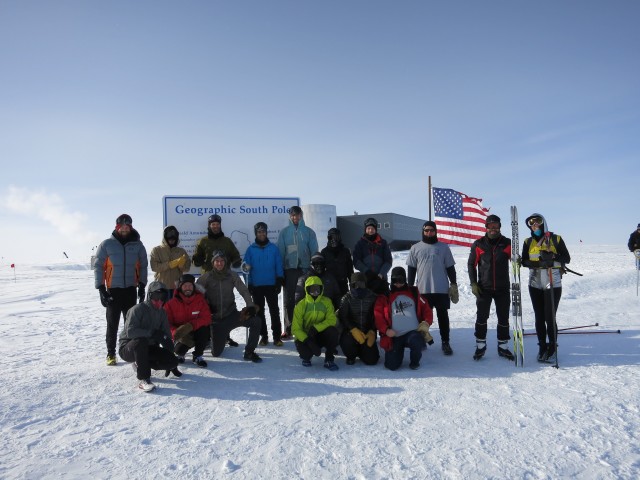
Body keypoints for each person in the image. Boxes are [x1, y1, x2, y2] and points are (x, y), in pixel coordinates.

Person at [94, 213, 148, 366]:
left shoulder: (137, 245)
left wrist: (142, 285)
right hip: (113, 290)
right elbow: (99, 267)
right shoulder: (106, 245)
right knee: (112, 323)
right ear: (117, 227)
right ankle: (111, 354)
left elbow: (143, 266)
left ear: (130, 227)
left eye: (127, 226)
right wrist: (101, 289)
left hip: (130, 289)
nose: (125, 229)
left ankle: (130, 352)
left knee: (130, 323)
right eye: (122, 226)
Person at [521, 213, 571, 363]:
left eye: (538, 223)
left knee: (550, 317)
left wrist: (553, 257)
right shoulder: (528, 241)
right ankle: (542, 346)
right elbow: (524, 261)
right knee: (539, 317)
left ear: (543, 224)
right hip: (535, 283)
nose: (535, 226)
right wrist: (539, 263)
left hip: (553, 282)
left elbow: (567, 258)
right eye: (532, 224)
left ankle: (552, 348)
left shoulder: (556, 239)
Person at [196, 251, 263, 362]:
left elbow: (244, 290)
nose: (220, 263)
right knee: (216, 353)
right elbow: (197, 295)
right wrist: (205, 307)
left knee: (256, 321)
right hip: (216, 320)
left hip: (232, 315)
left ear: (225, 262)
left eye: (222, 261)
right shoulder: (206, 277)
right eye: (217, 261)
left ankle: (249, 352)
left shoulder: (232, 275)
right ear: (213, 263)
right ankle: (216, 338)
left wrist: (250, 306)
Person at [406, 221, 458, 356]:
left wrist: (453, 284)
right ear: (423, 232)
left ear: (436, 231)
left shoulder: (444, 247)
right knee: (421, 319)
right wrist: (410, 287)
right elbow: (411, 269)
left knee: (443, 317)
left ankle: (445, 342)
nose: (429, 233)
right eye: (427, 230)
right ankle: (420, 340)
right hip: (423, 290)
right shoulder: (415, 248)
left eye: (432, 230)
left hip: (441, 289)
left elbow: (450, 268)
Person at [118, 281, 180, 392]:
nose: (159, 301)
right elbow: (130, 332)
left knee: (173, 361)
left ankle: (141, 363)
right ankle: (144, 379)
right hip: (128, 348)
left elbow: (166, 335)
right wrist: (151, 333)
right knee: (141, 341)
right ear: (149, 295)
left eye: (163, 297)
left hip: (147, 348)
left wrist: (171, 360)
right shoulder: (137, 310)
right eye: (156, 296)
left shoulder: (162, 313)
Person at [467, 214, 514, 361]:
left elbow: (515, 259)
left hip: (502, 288)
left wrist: (517, 259)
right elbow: (471, 264)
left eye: (496, 226)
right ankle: (480, 346)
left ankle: (503, 346)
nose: (493, 229)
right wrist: (473, 283)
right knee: (482, 317)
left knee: (503, 317)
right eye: (490, 226)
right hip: (484, 288)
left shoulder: (507, 243)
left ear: (500, 227)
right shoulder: (479, 244)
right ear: (486, 227)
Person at [192, 214, 242, 347]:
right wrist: (196, 259)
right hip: (207, 280)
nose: (215, 226)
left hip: (224, 279)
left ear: (220, 225)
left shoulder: (227, 241)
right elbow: (197, 258)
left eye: (217, 224)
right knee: (207, 307)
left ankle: (226, 336)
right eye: (212, 224)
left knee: (225, 305)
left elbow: (235, 255)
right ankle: (208, 336)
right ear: (209, 226)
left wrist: (237, 261)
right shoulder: (203, 241)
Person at [374, 267, 433, 371]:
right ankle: (396, 352)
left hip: (412, 332)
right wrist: (386, 330)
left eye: (400, 280)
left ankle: (415, 361)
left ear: (405, 280)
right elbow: (378, 316)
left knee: (416, 340)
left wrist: (426, 322)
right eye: (394, 280)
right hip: (395, 336)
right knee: (391, 366)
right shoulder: (385, 297)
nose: (398, 284)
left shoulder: (414, 292)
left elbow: (426, 309)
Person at [277, 206, 318, 339]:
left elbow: (314, 250)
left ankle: (304, 326)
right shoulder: (284, 232)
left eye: (298, 215)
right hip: (289, 270)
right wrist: (281, 271)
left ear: (301, 215)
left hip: (305, 270)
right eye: (293, 215)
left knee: (305, 299)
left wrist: (313, 267)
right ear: (290, 216)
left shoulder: (309, 232)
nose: (295, 218)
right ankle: (288, 328)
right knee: (289, 300)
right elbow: (280, 253)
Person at [243, 222, 285, 347]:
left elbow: (279, 264)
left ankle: (277, 337)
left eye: (263, 231)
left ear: (266, 233)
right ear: (256, 233)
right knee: (259, 312)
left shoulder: (273, 248)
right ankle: (264, 336)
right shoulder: (250, 250)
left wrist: (279, 279)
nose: (262, 234)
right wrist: (249, 283)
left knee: (274, 311)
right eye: (259, 232)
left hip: (271, 285)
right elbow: (246, 268)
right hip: (257, 286)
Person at [292, 276, 340, 370]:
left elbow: (332, 320)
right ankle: (307, 355)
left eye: (318, 289)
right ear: (307, 289)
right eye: (312, 289)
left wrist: (316, 328)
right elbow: (295, 329)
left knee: (333, 331)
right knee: (306, 355)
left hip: (319, 334)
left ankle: (329, 359)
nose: (315, 292)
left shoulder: (326, 302)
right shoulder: (301, 305)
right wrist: (308, 341)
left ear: (321, 289)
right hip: (305, 336)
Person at [164, 274, 211, 368]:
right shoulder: (170, 304)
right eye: (185, 286)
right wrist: (175, 332)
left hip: (196, 331)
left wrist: (191, 325)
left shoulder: (200, 300)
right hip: (182, 335)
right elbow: (166, 323)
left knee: (205, 330)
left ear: (194, 287)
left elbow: (207, 318)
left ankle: (198, 355)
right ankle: (181, 354)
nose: (188, 288)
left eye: (190, 286)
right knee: (179, 350)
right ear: (180, 287)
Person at [338, 272, 380, 366]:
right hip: (351, 332)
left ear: (365, 284)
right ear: (351, 285)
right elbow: (343, 316)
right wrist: (353, 329)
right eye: (355, 285)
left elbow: (377, 316)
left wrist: (372, 330)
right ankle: (351, 355)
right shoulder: (346, 298)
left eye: (361, 284)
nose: (358, 287)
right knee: (347, 343)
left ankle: (363, 351)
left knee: (372, 360)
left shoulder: (373, 297)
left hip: (367, 332)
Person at [352, 217, 392, 295]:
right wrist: (367, 271)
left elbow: (388, 261)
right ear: (365, 229)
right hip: (365, 280)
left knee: (383, 303)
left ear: (376, 229)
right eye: (368, 228)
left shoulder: (383, 243)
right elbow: (356, 261)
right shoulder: (360, 244)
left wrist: (381, 274)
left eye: (372, 228)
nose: (370, 230)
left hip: (381, 279)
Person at [149, 225, 191, 297]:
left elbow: (187, 268)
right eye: (169, 236)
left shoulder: (181, 251)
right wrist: (170, 264)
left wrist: (181, 266)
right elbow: (154, 267)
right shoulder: (156, 250)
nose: (172, 240)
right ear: (165, 237)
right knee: (162, 308)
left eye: (174, 237)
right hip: (161, 287)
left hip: (177, 287)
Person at [321, 227, 354, 298]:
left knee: (343, 305)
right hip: (329, 284)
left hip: (342, 284)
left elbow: (350, 269)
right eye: (331, 237)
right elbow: (321, 270)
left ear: (339, 237)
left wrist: (352, 284)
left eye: (336, 237)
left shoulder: (345, 251)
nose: (333, 239)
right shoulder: (324, 252)